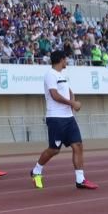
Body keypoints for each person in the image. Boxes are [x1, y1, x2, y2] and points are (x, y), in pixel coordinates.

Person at [31, 50, 98, 189]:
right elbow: (54, 95)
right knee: (54, 150)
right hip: (56, 118)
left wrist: (73, 101)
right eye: (66, 59)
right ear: (61, 59)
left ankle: (80, 180)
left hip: (69, 118)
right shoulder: (50, 74)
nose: (67, 61)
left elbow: (69, 91)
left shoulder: (61, 75)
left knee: (78, 146)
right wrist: (72, 103)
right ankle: (36, 170)